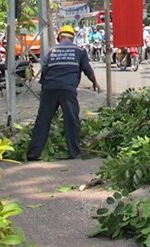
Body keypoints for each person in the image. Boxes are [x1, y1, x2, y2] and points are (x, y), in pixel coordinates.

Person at [27, 25, 100, 161]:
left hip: (50, 88)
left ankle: (33, 153)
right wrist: (95, 83)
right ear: (72, 38)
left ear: (60, 37)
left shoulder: (51, 51)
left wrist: (44, 92)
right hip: (68, 89)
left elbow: (45, 71)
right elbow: (87, 70)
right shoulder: (79, 51)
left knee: (43, 120)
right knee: (71, 120)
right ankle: (74, 152)